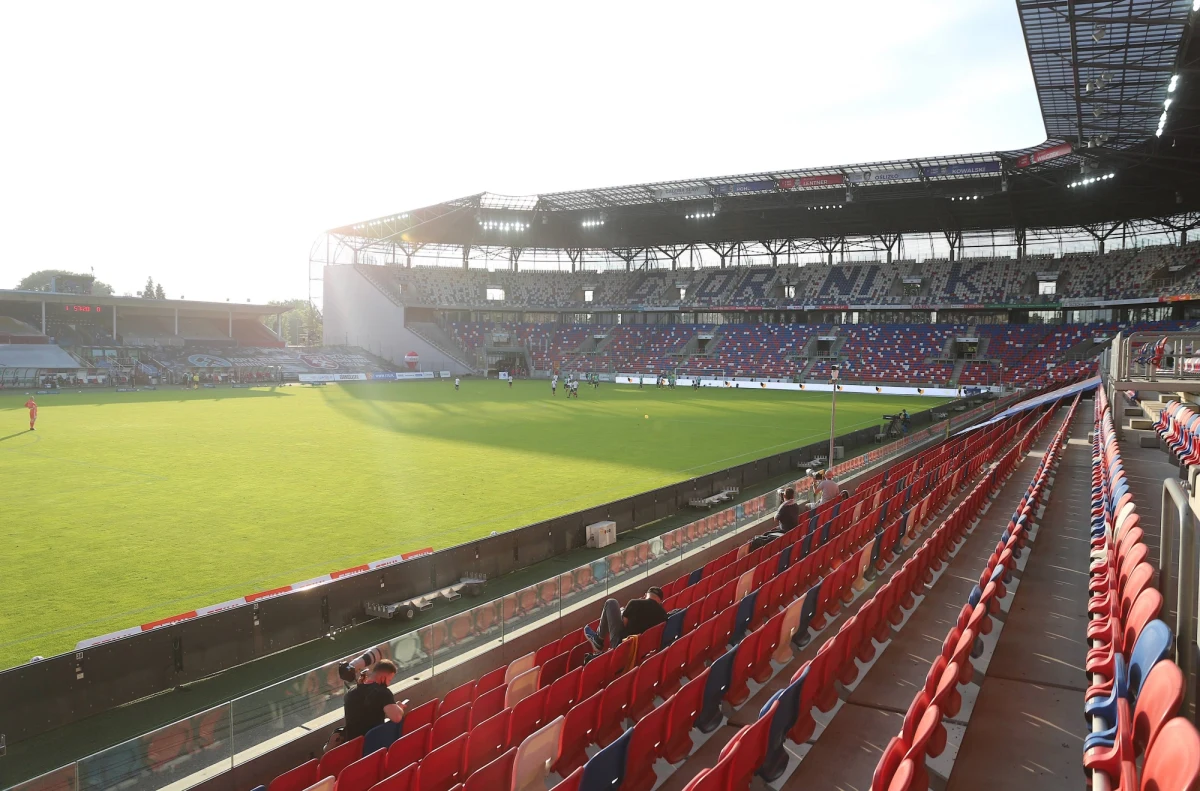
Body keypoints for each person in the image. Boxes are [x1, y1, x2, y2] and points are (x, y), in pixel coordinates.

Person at [333, 659, 407, 747]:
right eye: (389, 680)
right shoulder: (383, 692)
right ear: (383, 677)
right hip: (373, 745)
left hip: (354, 747)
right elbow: (397, 718)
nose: (388, 684)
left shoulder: (350, 693)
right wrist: (399, 707)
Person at [584, 587, 668, 652]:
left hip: (622, 646)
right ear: (660, 601)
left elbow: (624, 624)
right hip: (643, 649)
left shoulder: (634, 603)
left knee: (611, 602)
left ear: (645, 595)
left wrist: (621, 613)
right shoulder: (663, 615)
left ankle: (598, 640)